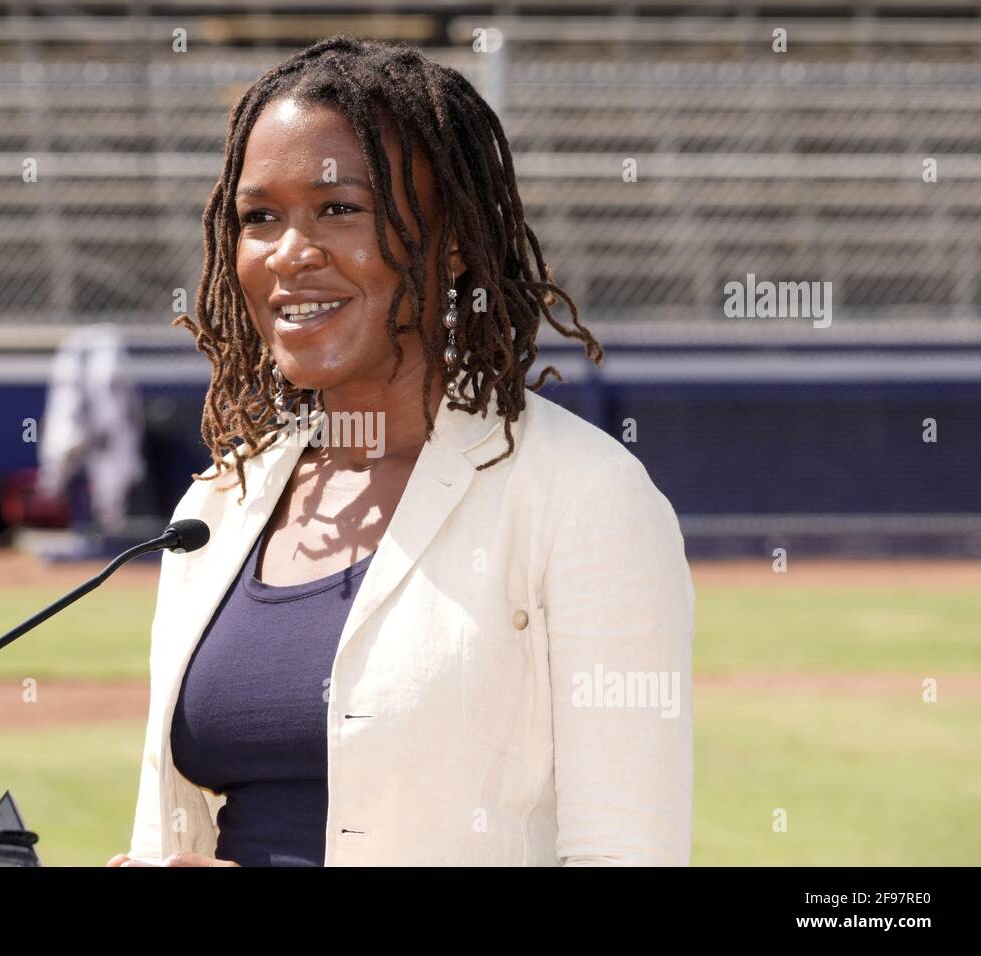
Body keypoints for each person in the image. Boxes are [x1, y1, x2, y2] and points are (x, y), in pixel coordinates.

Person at [107, 35, 693, 867]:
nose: (290, 254)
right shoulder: (216, 507)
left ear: (450, 241)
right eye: (259, 217)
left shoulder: (584, 497)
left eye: (339, 208)